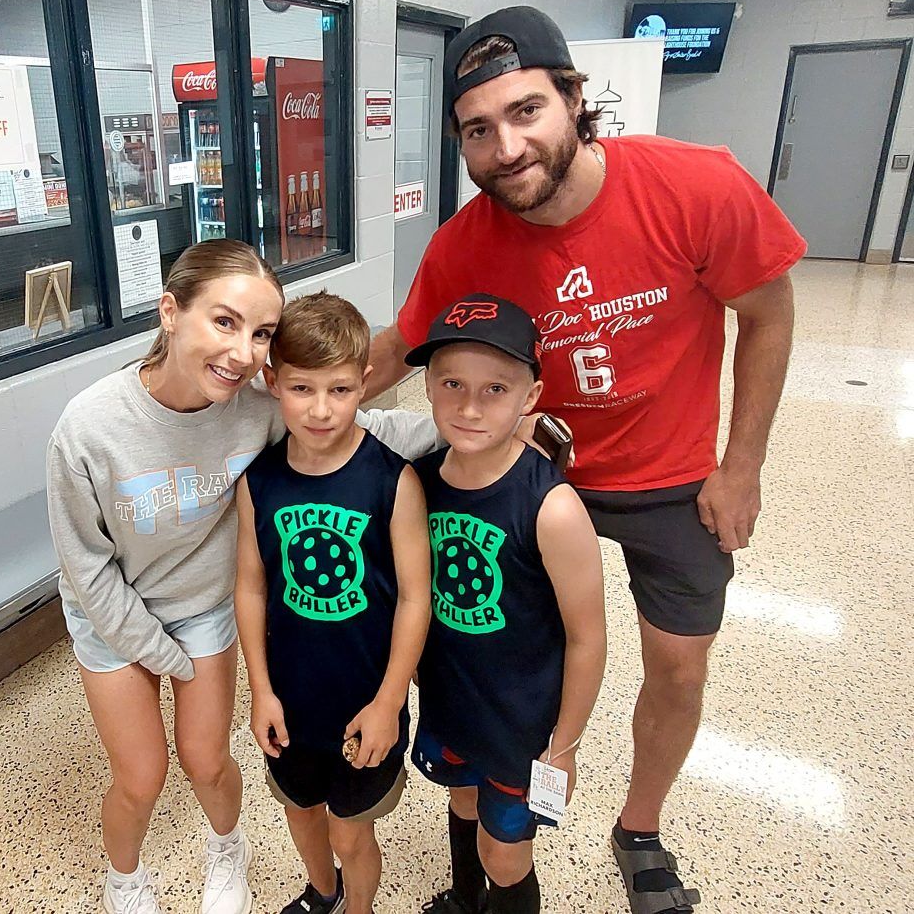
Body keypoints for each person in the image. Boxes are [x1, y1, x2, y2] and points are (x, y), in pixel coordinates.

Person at [367, 6, 805, 914]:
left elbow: (768, 310)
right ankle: (492, 785)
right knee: (490, 638)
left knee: (679, 666)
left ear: (574, 99)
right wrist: (276, 379)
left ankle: (638, 825)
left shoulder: (696, 185)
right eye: (477, 130)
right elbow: (394, 352)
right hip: (532, 474)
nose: (506, 146)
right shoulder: (465, 242)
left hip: (672, 474)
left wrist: (743, 464)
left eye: (526, 110)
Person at [46, 241, 437, 914]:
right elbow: (85, 564)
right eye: (224, 322)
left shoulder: (256, 409)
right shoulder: (88, 427)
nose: (243, 352)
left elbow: (358, 425)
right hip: (110, 609)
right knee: (141, 776)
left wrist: (475, 424)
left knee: (207, 760)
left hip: (203, 608)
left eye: (260, 334)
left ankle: (227, 849)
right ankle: (126, 881)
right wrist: (163, 655)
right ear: (170, 312)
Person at [407, 295, 606, 914]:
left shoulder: (553, 508)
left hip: (522, 722)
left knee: (506, 854)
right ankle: (465, 902)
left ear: (530, 396)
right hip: (451, 699)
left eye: (496, 388)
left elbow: (588, 637)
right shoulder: (421, 479)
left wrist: (566, 744)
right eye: (452, 384)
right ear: (430, 388)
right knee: (461, 800)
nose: (469, 406)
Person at [233, 292, 431, 914]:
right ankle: (322, 894)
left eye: (340, 390)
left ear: (364, 382)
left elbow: (415, 601)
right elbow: (251, 585)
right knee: (301, 812)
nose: (321, 410)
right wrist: (259, 689)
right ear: (272, 383)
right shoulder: (259, 481)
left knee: (351, 828)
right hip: (291, 698)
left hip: (364, 701)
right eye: (301, 389)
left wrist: (389, 702)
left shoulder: (392, 480)